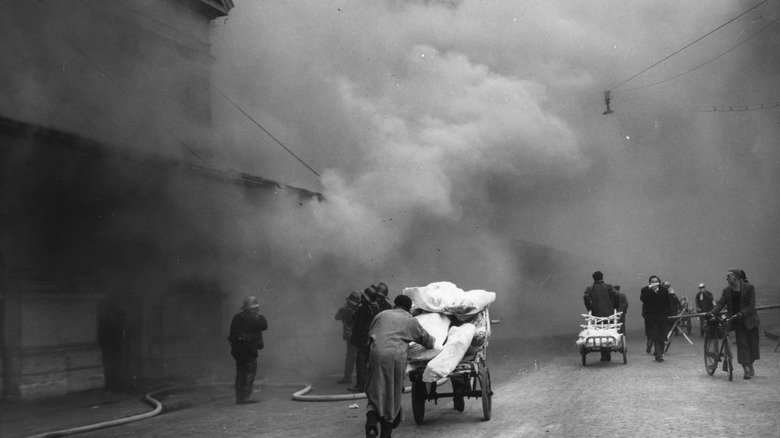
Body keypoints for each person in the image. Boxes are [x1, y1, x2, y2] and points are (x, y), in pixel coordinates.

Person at [364, 295, 435, 438]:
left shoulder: (380, 315)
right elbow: (427, 341)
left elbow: (370, 338)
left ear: (394, 304)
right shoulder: (410, 320)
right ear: (408, 308)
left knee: (375, 392)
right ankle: (386, 434)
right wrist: (433, 341)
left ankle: (371, 425)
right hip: (395, 357)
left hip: (376, 354)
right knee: (392, 394)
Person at [708, 269, 760, 379]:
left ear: (735, 277)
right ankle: (746, 367)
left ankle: (750, 364)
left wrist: (741, 313)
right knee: (742, 344)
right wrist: (712, 313)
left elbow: (751, 306)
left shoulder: (749, 288)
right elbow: (720, 304)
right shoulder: (727, 291)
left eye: (728, 276)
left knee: (753, 345)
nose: (726, 278)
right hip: (737, 322)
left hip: (751, 320)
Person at [227, 295, 268, 404]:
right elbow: (264, 326)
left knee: (240, 371)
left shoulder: (237, 317)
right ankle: (245, 397)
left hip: (238, 349)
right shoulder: (254, 317)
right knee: (249, 372)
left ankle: (239, 397)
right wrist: (260, 314)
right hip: (249, 348)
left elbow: (232, 334)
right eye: (256, 309)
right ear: (253, 308)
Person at [349, 285, 389, 392]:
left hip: (364, 339)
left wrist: (353, 339)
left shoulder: (362, 307)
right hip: (374, 338)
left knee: (361, 361)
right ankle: (374, 384)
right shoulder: (375, 307)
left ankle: (361, 384)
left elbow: (358, 325)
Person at [583, 271, 620, 362]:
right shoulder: (608, 287)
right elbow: (616, 295)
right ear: (602, 277)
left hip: (596, 314)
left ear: (593, 278)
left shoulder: (590, 288)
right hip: (609, 313)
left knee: (598, 331)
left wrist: (589, 308)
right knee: (608, 331)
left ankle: (604, 355)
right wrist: (615, 306)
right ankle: (606, 354)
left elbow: (586, 297)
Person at [640, 275, 671, 362]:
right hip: (651, 318)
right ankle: (659, 355)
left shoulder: (664, 290)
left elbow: (668, 303)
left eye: (656, 281)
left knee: (661, 337)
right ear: (650, 283)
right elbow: (643, 299)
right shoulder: (645, 290)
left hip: (661, 317)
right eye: (652, 282)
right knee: (655, 336)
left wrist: (668, 313)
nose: (654, 283)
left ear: (659, 282)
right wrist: (651, 291)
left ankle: (659, 352)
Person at [335, 291, 361, 384]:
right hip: (356, 337)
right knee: (357, 357)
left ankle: (348, 377)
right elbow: (337, 317)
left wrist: (345, 309)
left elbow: (338, 316)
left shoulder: (347, 310)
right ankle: (354, 377)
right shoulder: (357, 309)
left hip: (352, 337)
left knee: (352, 357)